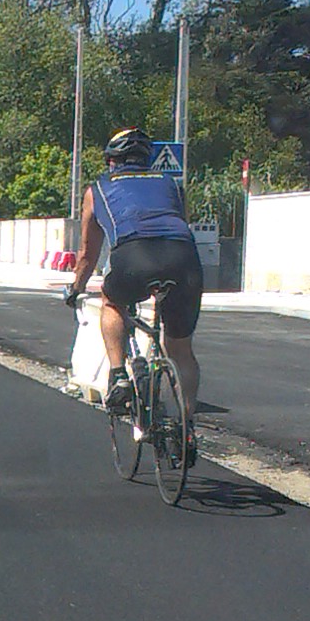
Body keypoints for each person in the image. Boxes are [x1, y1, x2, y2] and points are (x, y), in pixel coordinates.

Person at [65, 127, 203, 426]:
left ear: (111, 160)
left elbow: (89, 253)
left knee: (112, 303)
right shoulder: (171, 184)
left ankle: (118, 375)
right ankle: (186, 428)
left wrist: (75, 288)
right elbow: (180, 222)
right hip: (184, 258)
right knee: (180, 349)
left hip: (133, 256)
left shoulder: (97, 189)